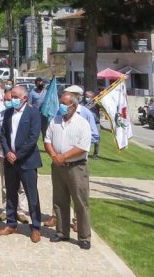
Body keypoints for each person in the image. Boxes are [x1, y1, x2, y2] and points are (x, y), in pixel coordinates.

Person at [45, 85, 93, 250]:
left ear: (73, 105)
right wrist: (54, 156)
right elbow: (47, 140)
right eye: (60, 103)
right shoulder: (55, 120)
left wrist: (63, 156)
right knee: (59, 201)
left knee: (80, 202)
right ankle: (62, 232)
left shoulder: (83, 123)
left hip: (76, 167)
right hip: (57, 166)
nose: (61, 106)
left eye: (64, 104)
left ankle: (84, 236)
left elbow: (83, 146)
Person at [0, 84, 44, 243]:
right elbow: (3, 133)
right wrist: (7, 152)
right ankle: (11, 223)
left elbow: (33, 138)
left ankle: (36, 227)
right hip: (10, 160)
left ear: (24, 98)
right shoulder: (9, 112)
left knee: (32, 195)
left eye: (16, 97)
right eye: (12, 97)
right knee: (11, 193)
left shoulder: (33, 113)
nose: (13, 99)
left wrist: (18, 155)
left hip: (27, 161)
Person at [0, 89, 28, 224]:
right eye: (7, 99)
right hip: (4, 154)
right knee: (5, 184)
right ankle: (6, 209)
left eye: (12, 98)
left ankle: (21, 210)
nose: (10, 101)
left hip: (21, 155)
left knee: (22, 186)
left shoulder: (25, 114)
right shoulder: (0, 115)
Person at [82, 91, 100, 159]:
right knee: (85, 138)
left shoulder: (96, 103)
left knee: (97, 139)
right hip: (86, 123)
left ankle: (96, 154)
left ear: (92, 97)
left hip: (96, 123)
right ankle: (83, 152)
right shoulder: (83, 103)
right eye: (86, 96)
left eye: (88, 96)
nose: (86, 98)